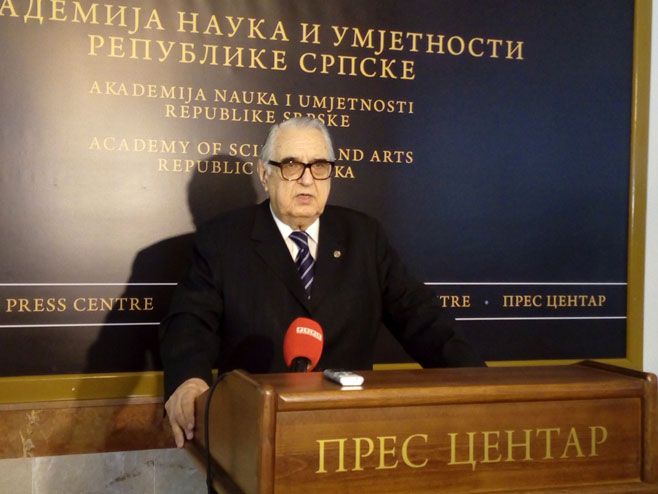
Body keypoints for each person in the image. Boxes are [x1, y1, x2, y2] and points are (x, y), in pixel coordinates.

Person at [159, 117, 484, 447]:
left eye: (319, 166)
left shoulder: (364, 236)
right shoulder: (222, 240)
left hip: (352, 435)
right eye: (291, 165)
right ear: (265, 174)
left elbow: (421, 318)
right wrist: (188, 381)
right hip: (255, 432)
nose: (307, 179)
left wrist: (479, 381)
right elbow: (190, 323)